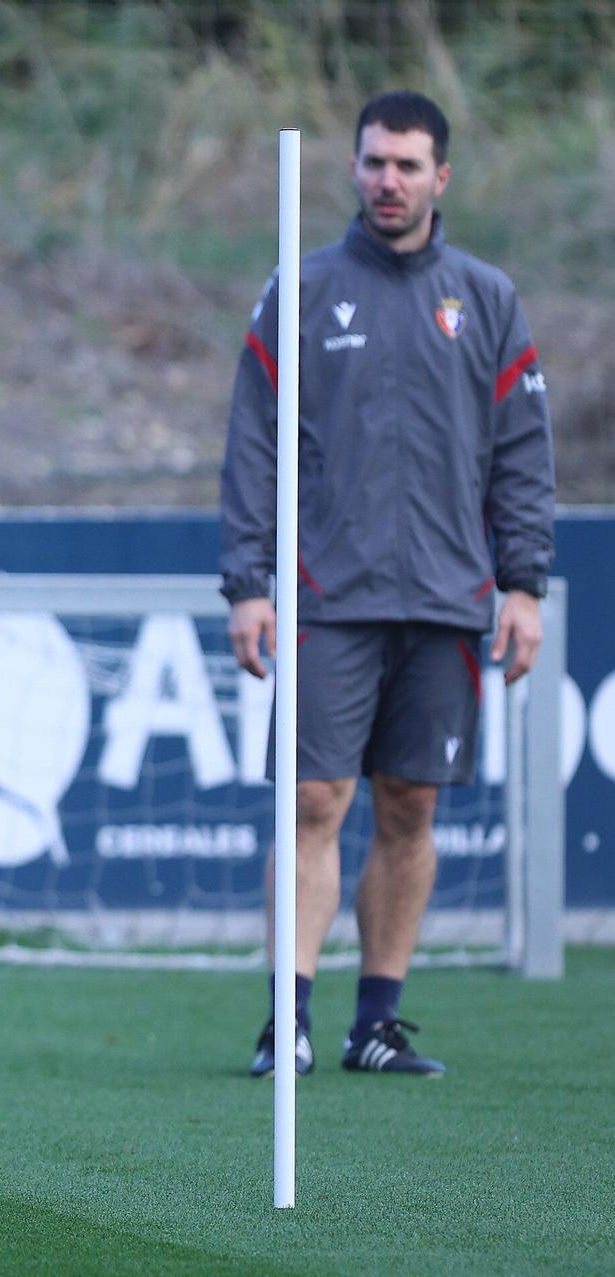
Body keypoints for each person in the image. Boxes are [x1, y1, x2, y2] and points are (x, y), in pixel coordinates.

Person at [219, 92, 555, 1079]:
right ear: (352, 168)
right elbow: (251, 445)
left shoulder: (485, 299)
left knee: (409, 806)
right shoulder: (304, 289)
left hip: (448, 600)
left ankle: (376, 1020)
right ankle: (289, 1016)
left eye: (407, 165)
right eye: (372, 162)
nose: (386, 181)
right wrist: (248, 579)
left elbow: (521, 456)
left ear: (439, 176)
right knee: (312, 799)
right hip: (328, 594)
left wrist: (522, 582)